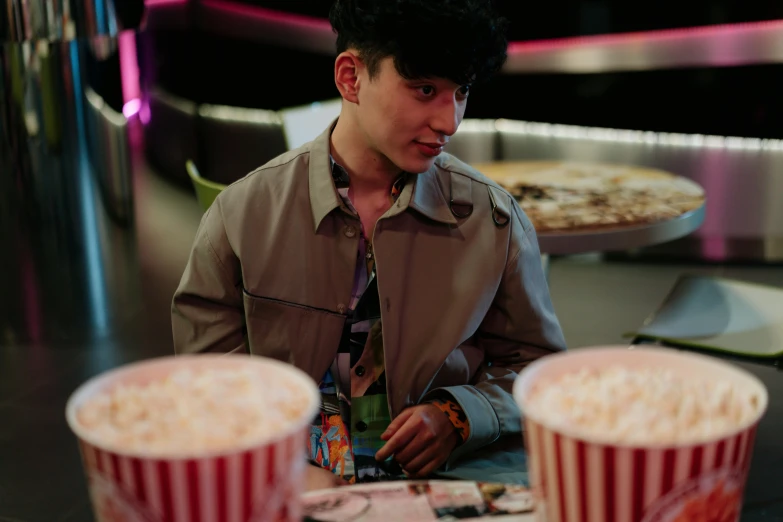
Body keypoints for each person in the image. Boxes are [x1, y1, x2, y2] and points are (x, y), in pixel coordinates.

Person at [172, 0, 566, 490]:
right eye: (425, 89)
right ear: (351, 78)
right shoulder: (242, 214)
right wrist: (288, 470)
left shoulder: (494, 219)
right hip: (287, 489)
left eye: (460, 91)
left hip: (445, 487)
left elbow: (541, 370)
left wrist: (459, 416)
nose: (450, 121)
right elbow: (206, 382)